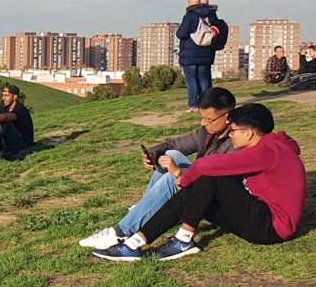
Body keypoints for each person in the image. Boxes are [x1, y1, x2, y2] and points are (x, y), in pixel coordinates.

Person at [92, 103, 306, 262]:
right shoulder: (269, 147)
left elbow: (207, 166)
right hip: (259, 217)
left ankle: (182, 240)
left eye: (233, 131)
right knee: (199, 188)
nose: (231, 136)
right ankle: (134, 243)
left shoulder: (267, 150)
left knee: (210, 177)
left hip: (271, 227)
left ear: (248, 133)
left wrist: (185, 180)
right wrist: (189, 185)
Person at [78, 87, 238, 249]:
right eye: (202, 118)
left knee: (171, 177)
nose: (203, 123)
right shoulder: (207, 132)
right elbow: (174, 144)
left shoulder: (238, 139)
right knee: (170, 154)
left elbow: (217, 178)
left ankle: (120, 233)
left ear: (227, 117)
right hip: (204, 187)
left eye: (209, 120)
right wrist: (154, 154)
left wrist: (179, 172)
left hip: (218, 198)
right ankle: (144, 213)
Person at [175, 0, 220, 112]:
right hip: (205, 52)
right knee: (203, 79)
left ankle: (193, 104)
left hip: (190, 54)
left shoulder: (190, 16)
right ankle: (206, 103)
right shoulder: (209, 15)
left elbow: (181, 34)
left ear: (190, 3)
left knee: (191, 79)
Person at [0, 84, 34, 160]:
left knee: (3, 124)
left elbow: (1, 118)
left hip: (22, 143)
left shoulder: (19, 109)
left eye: (6, 96)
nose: (3, 98)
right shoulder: (6, 108)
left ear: (14, 97)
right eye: (3, 95)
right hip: (12, 141)